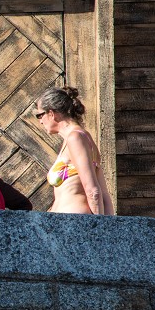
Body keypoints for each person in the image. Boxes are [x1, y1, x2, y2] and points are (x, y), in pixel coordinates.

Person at [33, 85, 114, 215]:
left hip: (72, 221)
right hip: (71, 220)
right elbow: (104, 194)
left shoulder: (75, 138)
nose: (40, 122)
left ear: (51, 113)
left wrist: (99, 227)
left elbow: (94, 191)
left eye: (40, 115)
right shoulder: (83, 138)